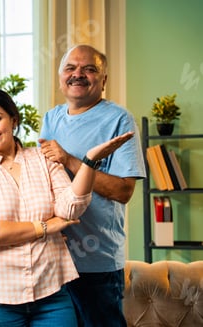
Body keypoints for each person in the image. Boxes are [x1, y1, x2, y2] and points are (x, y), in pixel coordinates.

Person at [0, 87, 134, 327]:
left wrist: (90, 161)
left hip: (50, 294)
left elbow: (70, 209)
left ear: (14, 120)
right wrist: (44, 227)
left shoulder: (43, 159)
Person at [38, 44, 146, 327]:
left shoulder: (119, 119)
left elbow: (124, 191)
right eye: (70, 68)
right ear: (61, 76)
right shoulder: (51, 118)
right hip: (54, 258)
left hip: (96, 261)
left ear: (104, 80)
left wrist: (72, 161)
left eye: (89, 69)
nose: (78, 74)